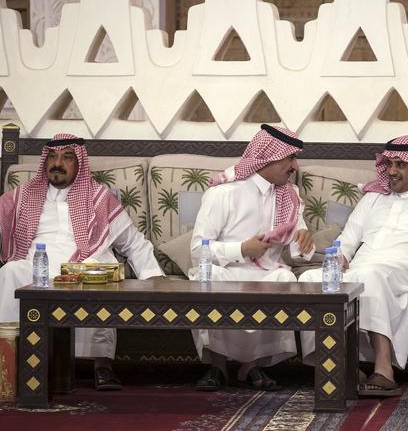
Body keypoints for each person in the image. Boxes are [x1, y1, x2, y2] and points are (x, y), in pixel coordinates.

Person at [299, 135, 408, 396]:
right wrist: (340, 257)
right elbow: (349, 237)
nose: (392, 171)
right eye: (389, 163)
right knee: (311, 280)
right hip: (363, 266)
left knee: (372, 275)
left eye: (401, 165)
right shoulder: (373, 199)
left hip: (407, 267)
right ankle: (341, 366)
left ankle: (383, 369)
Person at [0, 133, 164, 390]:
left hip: (84, 264)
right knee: (10, 270)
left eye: (67, 158)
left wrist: (154, 279)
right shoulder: (22, 198)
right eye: (52, 157)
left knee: (97, 270)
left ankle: (101, 365)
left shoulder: (99, 198)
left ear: (79, 163)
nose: (58, 163)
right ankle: (10, 360)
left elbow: (133, 243)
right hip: (36, 266)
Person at [190, 124, 314, 392]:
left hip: (265, 274)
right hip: (228, 270)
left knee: (284, 277)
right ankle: (218, 366)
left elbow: (297, 253)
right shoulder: (223, 193)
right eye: (290, 157)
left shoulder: (290, 196)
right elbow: (198, 250)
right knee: (207, 277)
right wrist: (241, 249)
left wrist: (304, 243)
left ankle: (254, 366)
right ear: (267, 156)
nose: (295, 165)